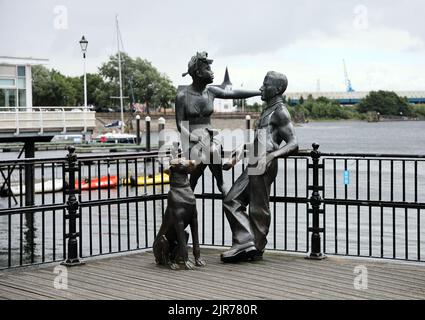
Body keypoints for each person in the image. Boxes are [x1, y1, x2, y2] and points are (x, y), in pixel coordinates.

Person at [221, 71, 299, 263]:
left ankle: (255, 247)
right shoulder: (267, 110)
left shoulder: (280, 111)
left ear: (278, 89)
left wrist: (271, 156)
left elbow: (293, 143)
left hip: (264, 163)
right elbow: (263, 140)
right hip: (255, 160)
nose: (261, 88)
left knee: (258, 208)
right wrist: (241, 150)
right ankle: (247, 243)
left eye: (266, 84)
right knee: (232, 200)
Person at [175, 52, 260, 195]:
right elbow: (180, 125)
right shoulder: (182, 96)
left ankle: (220, 184)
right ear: (198, 73)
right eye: (208, 69)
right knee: (202, 159)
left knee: (211, 152)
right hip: (191, 139)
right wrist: (192, 137)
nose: (212, 73)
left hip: (210, 136)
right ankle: (196, 189)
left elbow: (233, 93)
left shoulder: (211, 91)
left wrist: (258, 92)